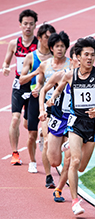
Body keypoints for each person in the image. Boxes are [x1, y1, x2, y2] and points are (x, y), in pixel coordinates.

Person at [47, 37, 95, 215]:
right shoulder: (70, 75)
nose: (89, 58)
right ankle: (75, 201)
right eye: (86, 55)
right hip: (75, 123)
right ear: (78, 56)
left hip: (92, 125)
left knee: (82, 167)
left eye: (92, 55)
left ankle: (69, 145)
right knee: (74, 161)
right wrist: (53, 98)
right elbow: (59, 88)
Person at [39, 46, 78, 202]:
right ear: (73, 59)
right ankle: (61, 148)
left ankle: (59, 189)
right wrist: (42, 109)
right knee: (55, 160)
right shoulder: (60, 76)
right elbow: (43, 90)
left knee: (69, 160)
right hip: (58, 118)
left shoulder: (86, 80)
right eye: (77, 57)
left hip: (74, 121)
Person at [32, 31, 70, 188]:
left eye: (62, 46)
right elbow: (41, 86)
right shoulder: (45, 65)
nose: (60, 49)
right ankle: (49, 176)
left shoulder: (71, 65)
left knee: (67, 147)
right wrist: (41, 109)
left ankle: (66, 176)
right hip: (49, 110)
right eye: (57, 46)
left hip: (66, 110)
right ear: (51, 48)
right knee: (47, 141)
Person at [2, 9, 38, 165]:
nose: (28, 27)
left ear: (35, 25)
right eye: (25, 24)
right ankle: (15, 153)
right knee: (14, 119)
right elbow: (6, 61)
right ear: (20, 25)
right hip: (18, 84)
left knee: (27, 124)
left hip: (34, 86)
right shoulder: (13, 44)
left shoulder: (39, 44)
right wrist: (5, 67)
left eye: (31, 24)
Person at [19, 24, 56, 173]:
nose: (50, 40)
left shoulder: (56, 58)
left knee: (50, 132)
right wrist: (36, 72)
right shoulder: (31, 57)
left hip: (51, 98)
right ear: (39, 38)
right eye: (47, 37)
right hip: (33, 97)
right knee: (30, 131)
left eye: (52, 37)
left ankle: (33, 162)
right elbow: (21, 79)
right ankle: (32, 160)